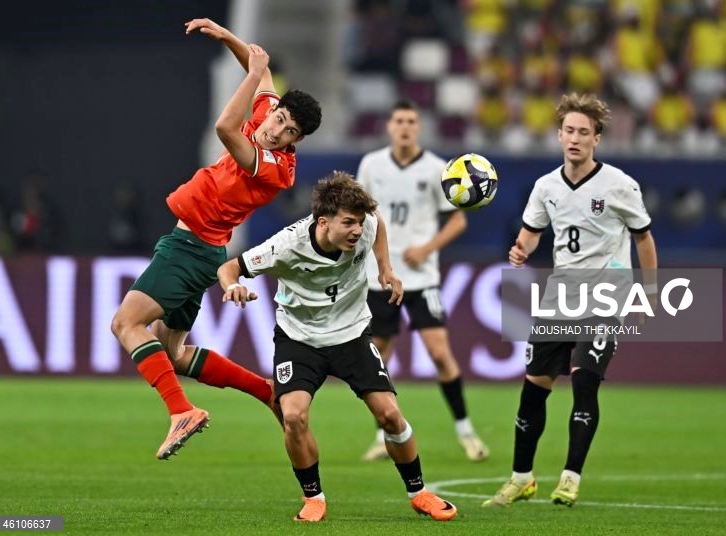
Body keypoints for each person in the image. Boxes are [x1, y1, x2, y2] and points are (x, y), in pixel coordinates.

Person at [110, 18, 322, 460]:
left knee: (125, 324)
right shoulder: (267, 115)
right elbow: (262, 71)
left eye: (289, 134)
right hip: (202, 250)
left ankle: (180, 411)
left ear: (296, 142)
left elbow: (226, 128)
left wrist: (249, 75)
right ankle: (266, 391)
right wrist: (227, 37)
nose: (276, 131)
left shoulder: (273, 167)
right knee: (176, 353)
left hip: (190, 251)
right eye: (280, 120)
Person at [217, 173, 457, 522]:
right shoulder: (284, 246)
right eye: (348, 223)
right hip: (299, 340)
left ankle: (419, 493)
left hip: (351, 334)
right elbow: (229, 268)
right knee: (294, 416)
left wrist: (386, 269)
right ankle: (313, 498)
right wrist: (232, 286)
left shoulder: (366, 224)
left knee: (390, 415)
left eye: (359, 222)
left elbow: (377, 224)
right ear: (323, 222)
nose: (357, 230)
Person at [483, 93, 657, 508]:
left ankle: (570, 477)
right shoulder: (546, 187)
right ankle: (521, 478)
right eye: (569, 131)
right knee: (533, 389)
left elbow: (644, 238)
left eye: (584, 132)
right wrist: (520, 249)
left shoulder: (619, 185)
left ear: (597, 139)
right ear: (559, 135)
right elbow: (532, 231)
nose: (575, 138)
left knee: (584, 380)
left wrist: (647, 292)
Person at [355, 99, 488, 462]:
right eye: (399, 120)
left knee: (440, 353)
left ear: (419, 127)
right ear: (389, 125)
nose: (405, 127)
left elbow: (458, 220)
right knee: (379, 358)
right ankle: (385, 436)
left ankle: (466, 431)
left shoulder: (436, 169)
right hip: (380, 276)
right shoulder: (371, 165)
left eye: (412, 121)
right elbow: (358, 213)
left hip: (422, 277)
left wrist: (427, 247)